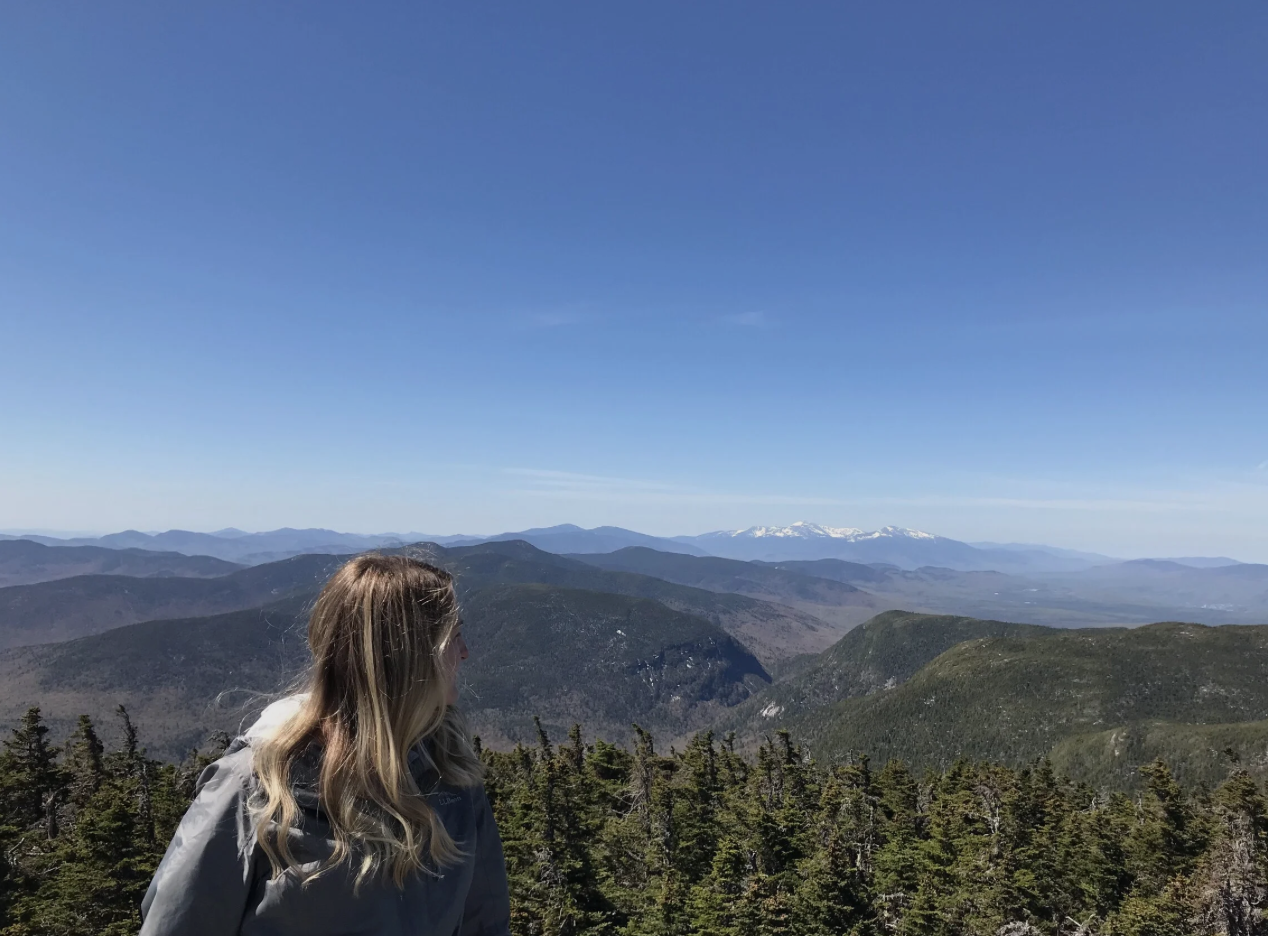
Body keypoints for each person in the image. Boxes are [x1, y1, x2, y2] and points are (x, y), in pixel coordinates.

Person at [139, 554, 510, 936]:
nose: (465, 652)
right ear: (407, 662)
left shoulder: (451, 776)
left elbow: (486, 922)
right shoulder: (253, 791)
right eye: (453, 638)